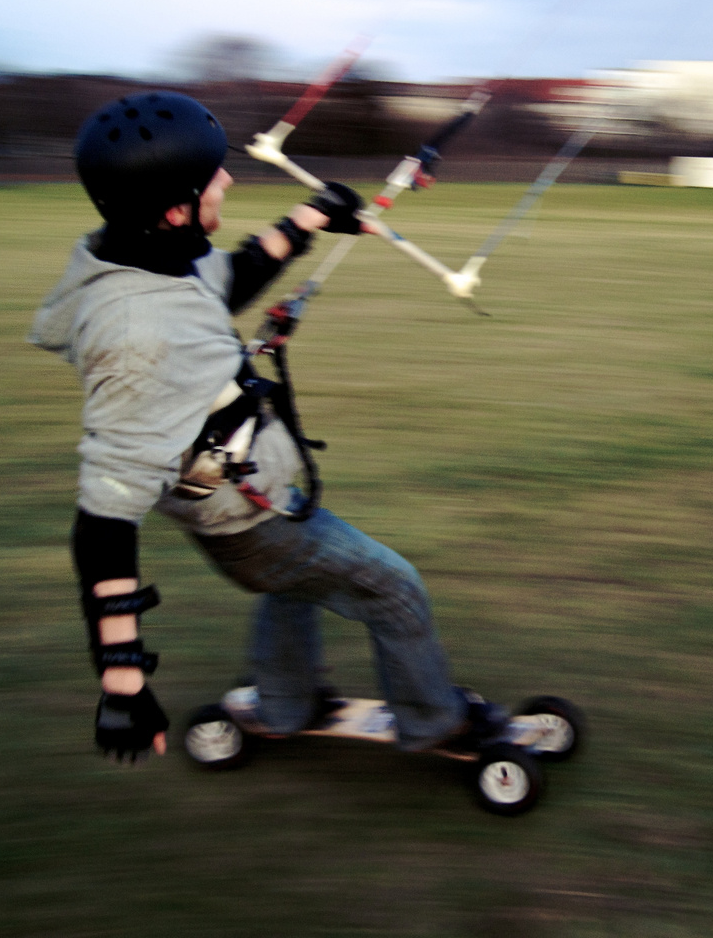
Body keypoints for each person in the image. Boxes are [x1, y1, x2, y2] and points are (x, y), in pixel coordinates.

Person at [30, 91, 504, 761]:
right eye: (212, 177)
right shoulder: (133, 337)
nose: (226, 179)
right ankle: (435, 721)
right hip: (252, 523)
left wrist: (309, 218)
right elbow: (103, 523)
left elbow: (222, 280)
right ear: (173, 210)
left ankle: (285, 702)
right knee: (395, 589)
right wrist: (123, 681)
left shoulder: (144, 252)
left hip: (258, 500)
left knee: (294, 585)